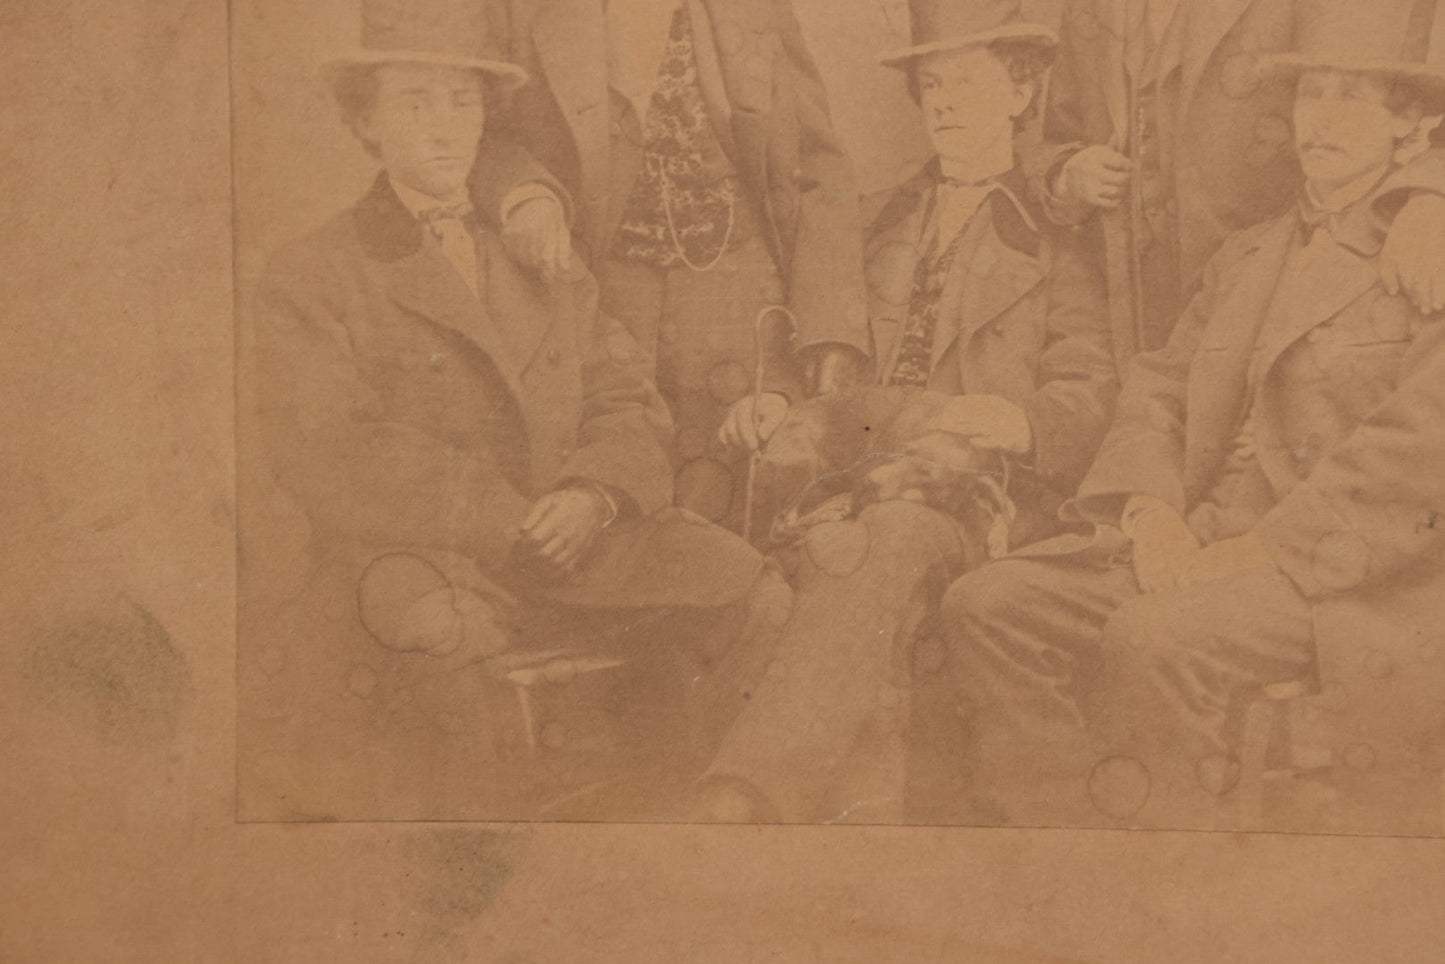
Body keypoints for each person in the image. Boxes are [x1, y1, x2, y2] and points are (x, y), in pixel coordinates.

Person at [238, 0, 777, 821]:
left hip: (572, 545)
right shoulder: (311, 274)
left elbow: (625, 400)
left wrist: (592, 496)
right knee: (456, 658)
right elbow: (337, 454)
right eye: (415, 102)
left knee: (750, 585)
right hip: (421, 559)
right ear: (365, 123)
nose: (445, 128)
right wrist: (514, 518)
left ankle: (706, 843)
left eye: (463, 102)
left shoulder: (540, 261)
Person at [943, 0, 1445, 831]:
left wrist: (1258, 551)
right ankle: (1056, 853)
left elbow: (1419, 454)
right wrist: (1151, 514)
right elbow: (1159, 389)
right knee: (989, 605)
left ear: (1408, 126)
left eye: (1349, 99)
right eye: (1307, 96)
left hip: (1346, 580)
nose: (1317, 121)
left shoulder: (1425, 253)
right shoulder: (1251, 249)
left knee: (1153, 635)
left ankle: (1185, 887)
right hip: (1203, 544)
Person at [689, 0, 1117, 824]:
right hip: (840, 481)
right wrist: (773, 395)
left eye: (966, 82)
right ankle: (862, 824)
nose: (944, 105)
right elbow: (806, 348)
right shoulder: (873, 218)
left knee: (881, 542)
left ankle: (746, 792)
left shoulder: (1059, 238)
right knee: (814, 569)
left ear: (1021, 92)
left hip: (976, 498)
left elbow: (1091, 389)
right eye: (930, 85)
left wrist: (1018, 419)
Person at [472, 0, 873, 533]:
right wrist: (522, 192)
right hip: (603, 296)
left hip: (740, 304)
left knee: (747, 518)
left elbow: (819, 166)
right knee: (613, 513)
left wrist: (829, 332)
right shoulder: (524, 12)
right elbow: (469, 126)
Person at [1028, 0, 1445, 366]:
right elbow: (1043, 134)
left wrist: (1429, 194)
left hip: (1272, 294)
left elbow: (1387, 92)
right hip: (1118, 311)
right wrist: (1065, 171)